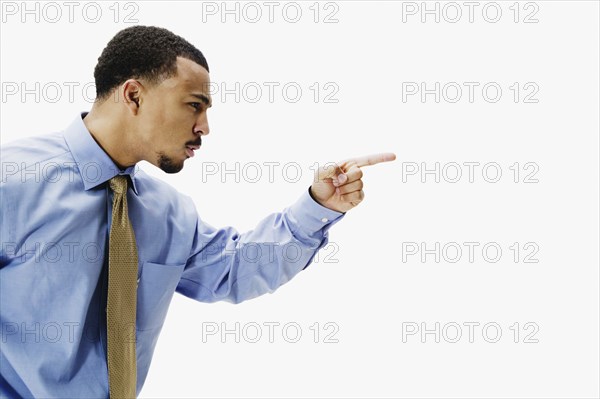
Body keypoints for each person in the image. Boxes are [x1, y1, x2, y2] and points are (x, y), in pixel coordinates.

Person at [0, 26, 395, 398]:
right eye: (194, 106)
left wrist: (318, 205)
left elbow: (235, 271)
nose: (204, 127)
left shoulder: (168, 212)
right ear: (134, 96)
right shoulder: (13, 181)